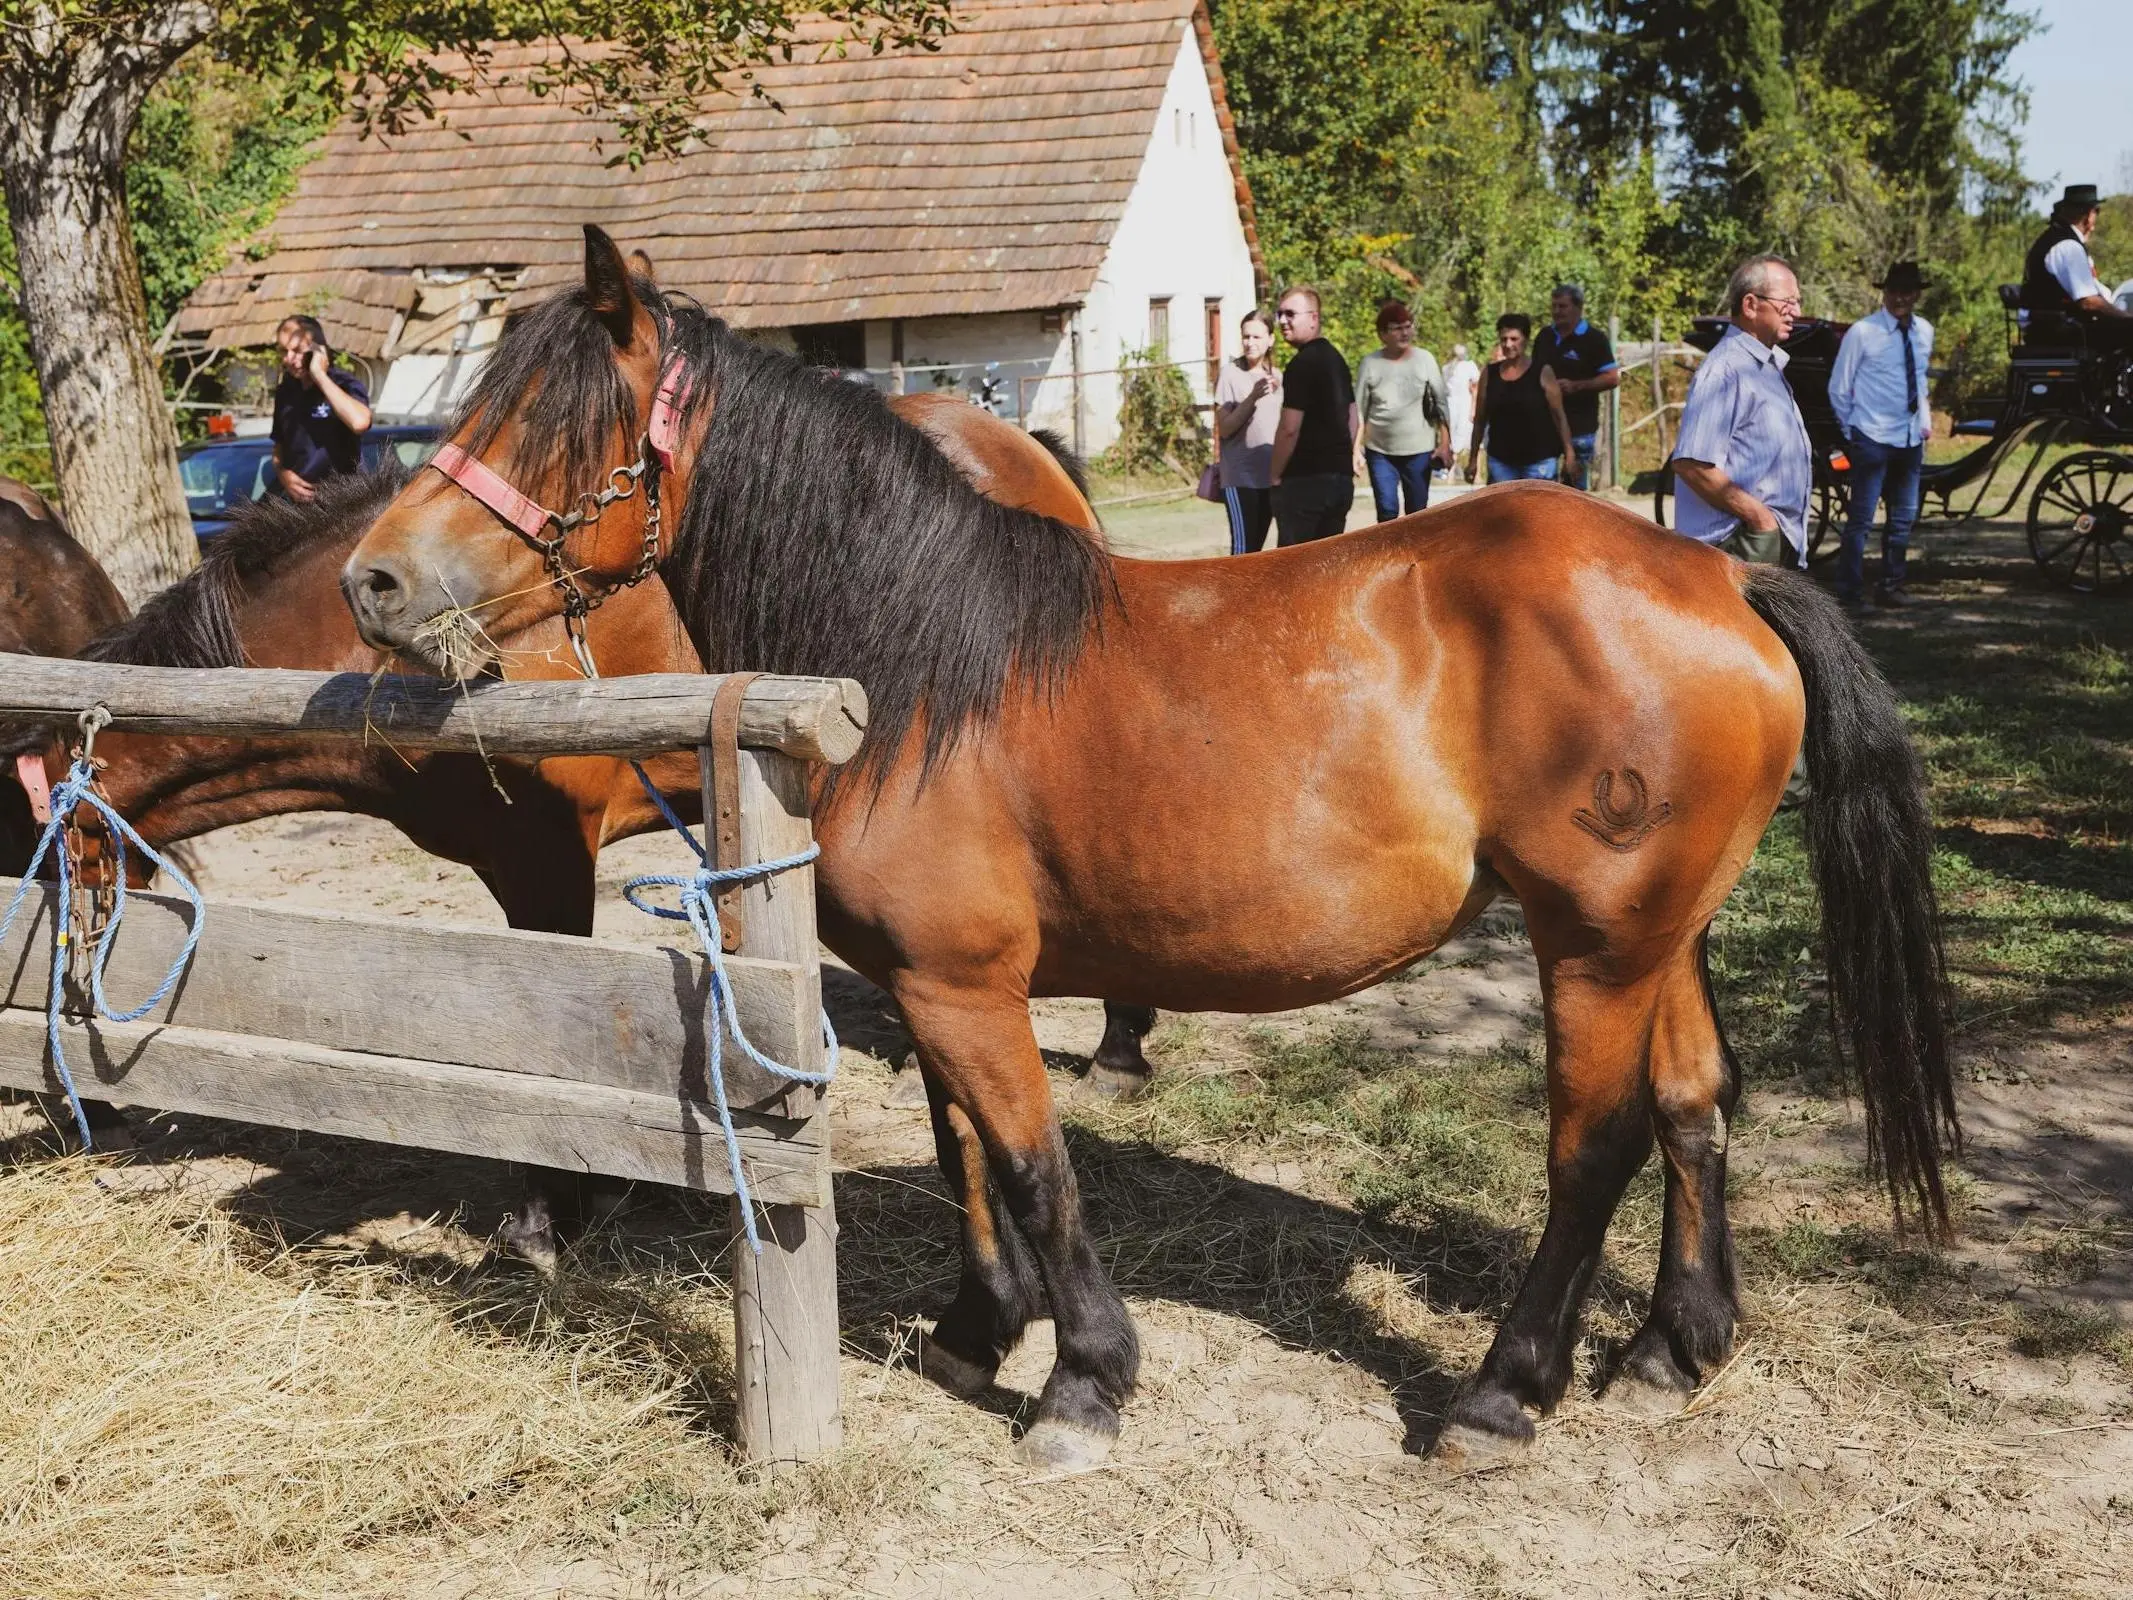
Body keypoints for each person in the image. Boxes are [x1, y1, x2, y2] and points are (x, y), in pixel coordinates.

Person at [1668, 255, 1812, 567]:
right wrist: (1760, 519)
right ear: (1750, 305)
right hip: (1738, 544)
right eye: (1787, 302)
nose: (1796, 313)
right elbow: (1692, 464)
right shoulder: (1725, 369)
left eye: (1797, 302)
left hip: (1762, 539)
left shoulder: (1765, 366)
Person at [1829, 261, 1933, 611]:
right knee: (1861, 519)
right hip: (1871, 436)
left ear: (1917, 294)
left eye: (1907, 291)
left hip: (1909, 438)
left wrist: (1924, 422)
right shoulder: (1864, 332)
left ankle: (1892, 585)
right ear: (1884, 293)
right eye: (1894, 291)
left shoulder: (1924, 332)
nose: (1900, 298)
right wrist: (1853, 431)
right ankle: (1849, 592)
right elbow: (1839, 389)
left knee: (1903, 517)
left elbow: (1920, 381)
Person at [1267, 286, 1357, 545]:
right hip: (1340, 480)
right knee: (1326, 574)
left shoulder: (1301, 365)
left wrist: (1274, 475)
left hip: (1304, 483)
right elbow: (1353, 418)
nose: (1283, 321)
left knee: (1293, 573)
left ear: (1314, 318)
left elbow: (1289, 429)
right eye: (1279, 314)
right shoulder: (1337, 359)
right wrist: (1340, 456)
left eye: (1290, 314)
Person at [1352, 300, 1451, 521]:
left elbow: (1441, 404)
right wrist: (1355, 449)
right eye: (1397, 328)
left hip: (1419, 450)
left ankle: (1415, 556)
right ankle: (1388, 556)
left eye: (1408, 326)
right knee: (1386, 511)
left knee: (1417, 513)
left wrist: (1445, 444)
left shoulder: (1424, 359)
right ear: (1382, 334)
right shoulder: (1370, 363)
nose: (1405, 332)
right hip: (1380, 451)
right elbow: (1359, 410)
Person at [271, 314, 372, 504]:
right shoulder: (285, 392)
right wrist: (283, 474)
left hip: (348, 504)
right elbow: (278, 447)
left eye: (297, 350)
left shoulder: (344, 384)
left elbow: (360, 422)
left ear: (319, 349)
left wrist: (319, 375)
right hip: (302, 510)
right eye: (284, 351)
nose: (289, 359)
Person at [1466, 313, 1575, 484]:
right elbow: (1480, 419)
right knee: (1502, 511)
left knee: (1538, 511)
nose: (1508, 344)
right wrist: (1473, 460)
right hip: (1501, 461)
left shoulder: (1543, 372)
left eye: (1514, 339)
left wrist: (1569, 454)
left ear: (1525, 340)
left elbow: (1559, 416)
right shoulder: (1490, 374)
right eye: (1504, 339)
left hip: (1539, 462)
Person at [2020, 183, 2133, 349]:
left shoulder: (2051, 240)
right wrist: (2125, 317)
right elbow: (2088, 302)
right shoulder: (2068, 247)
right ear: (2088, 215)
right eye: (2097, 211)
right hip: (2064, 332)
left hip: (2052, 328)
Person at [1531, 284, 1619, 489]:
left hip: (1581, 426)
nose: (1556, 312)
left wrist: (1577, 386)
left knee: (1575, 492)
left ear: (1578, 308)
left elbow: (1612, 378)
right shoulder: (1544, 337)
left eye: (1562, 306)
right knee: (1542, 490)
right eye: (1553, 306)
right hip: (1546, 426)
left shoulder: (1594, 339)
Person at [1213, 309, 1282, 554]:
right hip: (1241, 478)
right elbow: (1226, 429)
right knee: (1243, 552)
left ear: (1271, 339)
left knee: (1259, 552)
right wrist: (1252, 397)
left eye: (1256, 337)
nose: (1250, 343)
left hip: (1271, 478)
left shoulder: (1277, 377)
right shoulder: (1230, 374)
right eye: (1246, 337)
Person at [1444, 342, 1481, 479]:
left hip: (1465, 403)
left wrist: (1473, 407)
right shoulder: (1447, 368)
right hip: (1452, 404)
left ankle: (1474, 472)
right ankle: (1450, 471)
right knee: (1452, 435)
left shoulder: (1469, 366)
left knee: (1469, 434)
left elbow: (1475, 387)